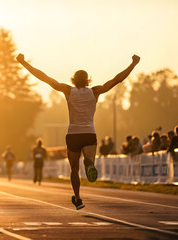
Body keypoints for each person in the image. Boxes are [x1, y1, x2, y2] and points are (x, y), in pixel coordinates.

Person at [17, 53, 140, 210]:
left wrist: (24, 63)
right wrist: (133, 64)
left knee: (74, 169)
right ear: (88, 80)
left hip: (73, 133)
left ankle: (78, 198)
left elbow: (45, 78)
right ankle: (89, 162)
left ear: (73, 80)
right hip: (89, 132)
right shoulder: (95, 92)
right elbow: (117, 80)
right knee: (89, 160)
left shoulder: (68, 91)